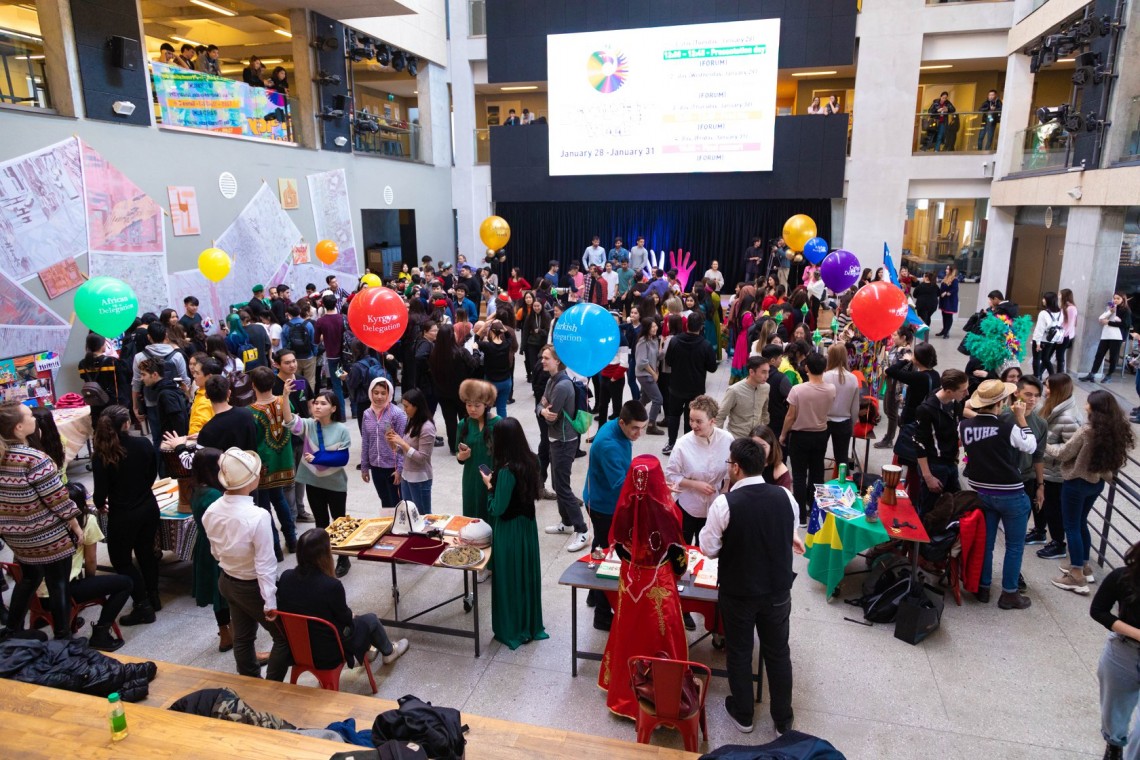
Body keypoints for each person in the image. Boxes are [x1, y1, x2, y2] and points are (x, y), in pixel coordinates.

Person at [700, 438, 802, 735]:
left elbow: (708, 548)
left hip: (739, 590)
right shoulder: (785, 496)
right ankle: (783, 720)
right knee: (778, 653)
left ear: (736, 468)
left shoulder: (725, 503)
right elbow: (790, 530)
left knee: (740, 651)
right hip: (777, 589)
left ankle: (744, 714)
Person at [598, 455, 688, 719]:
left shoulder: (624, 508)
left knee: (627, 632)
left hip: (631, 583)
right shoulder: (667, 513)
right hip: (658, 584)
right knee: (661, 637)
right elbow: (679, 559)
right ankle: (664, 696)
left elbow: (617, 546)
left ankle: (623, 692)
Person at [201, 447, 291, 680]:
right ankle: (272, 686)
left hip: (227, 580)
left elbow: (215, 551)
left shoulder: (211, 510)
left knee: (242, 637)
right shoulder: (258, 516)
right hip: (252, 586)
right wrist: (270, 601)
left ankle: (250, 681)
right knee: (285, 639)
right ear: (252, 479)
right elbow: (265, 564)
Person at [0, 402, 82, 640]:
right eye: (29, 415)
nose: (34, 418)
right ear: (18, 427)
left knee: (29, 577)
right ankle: (63, 637)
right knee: (59, 583)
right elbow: (58, 499)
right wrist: (76, 525)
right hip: (47, 534)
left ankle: (12, 630)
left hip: (16, 536)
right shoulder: (34, 459)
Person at [277, 529, 408, 668]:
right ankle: (389, 652)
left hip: (297, 650)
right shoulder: (331, 585)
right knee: (371, 619)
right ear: (324, 555)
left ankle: (369, 649)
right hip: (328, 654)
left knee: (352, 620)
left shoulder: (286, 577)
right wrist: (351, 615)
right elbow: (345, 619)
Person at [960, 379, 1037, 609]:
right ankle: (1009, 593)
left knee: (986, 543)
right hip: (1011, 493)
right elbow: (1030, 446)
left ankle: (983, 587)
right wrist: (1021, 418)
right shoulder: (1007, 427)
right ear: (1000, 403)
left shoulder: (964, 426)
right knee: (1014, 546)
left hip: (981, 492)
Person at [1048, 390, 1134, 595]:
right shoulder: (1116, 430)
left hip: (1076, 482)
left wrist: (1044, 444)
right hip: (1096, 483)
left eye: (1088, 403)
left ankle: (1076, 574)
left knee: (1071, 526)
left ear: (1095, 408)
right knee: (1081, 523)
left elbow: (1063, 454)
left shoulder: (1087, 431)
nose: (1085, 405)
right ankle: (1084, 565)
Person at [477, 418, 549, 649]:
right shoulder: (533, 460)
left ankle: (512, 628)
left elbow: (497, 508)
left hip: (509, 531)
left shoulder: (506, 472)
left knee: (509, 580)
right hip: (528, 528)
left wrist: (490, 486)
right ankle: (529, 624)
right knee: (526, 576)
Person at [665, 395, 733, 631]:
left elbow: (731, 472)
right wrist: (694, 484)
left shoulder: (727, 440)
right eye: (691, 420)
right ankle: (683, 607)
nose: (693, 425)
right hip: (688, 505)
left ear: (713, 421)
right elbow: (671, 475)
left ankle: (711, 604)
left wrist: (725, 492)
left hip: (715, 507)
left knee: (710, 554)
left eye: (698, 421)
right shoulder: (683, 444)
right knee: (683, 555)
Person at [92, 405, 161, 625]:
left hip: (123, 513)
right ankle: (153, 596)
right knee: (146, 552)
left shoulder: (102, 453)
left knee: (121, 560)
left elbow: (100, 492)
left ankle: (142, 604)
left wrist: (99, 504)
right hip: (148, 506)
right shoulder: (143, 444)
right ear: (127, 423)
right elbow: (152, 474)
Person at [582, 401, 648, 631]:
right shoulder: (609, 445)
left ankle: (593, 594)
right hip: (603, 506)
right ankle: (602, 615)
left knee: (600, 548)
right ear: (622, 422)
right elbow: (621, 485)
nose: (639, 434)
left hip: (599, 497)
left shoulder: (616, 427)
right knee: (609, 558)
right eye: (635, 428)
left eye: (642, 428)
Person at [39, 493, 132, 651]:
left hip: (37, 596)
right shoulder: (86, 520)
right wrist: (91, 584)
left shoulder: (45, 521)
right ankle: (101, 633)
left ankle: (51, 621)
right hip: (62, 594)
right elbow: (90, 561)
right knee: (126, 583)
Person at [288, 391, 352, 577]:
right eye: (316, 402)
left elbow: (342, 458)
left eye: (323, 403)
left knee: (339, 522)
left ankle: (344, 558)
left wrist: (318, 458)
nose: (317, 406)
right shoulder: (309, 425)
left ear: (333, 408)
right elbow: (289, 420)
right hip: (313, 482)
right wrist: (285, 396)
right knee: (321, 523)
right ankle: (324, 560)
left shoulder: (341, 429)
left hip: (336, 484)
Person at [1090, 540, 1140, 760]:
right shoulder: (1123, 577)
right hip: (1124, 651)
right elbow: (1098, 610)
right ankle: (1114, 746)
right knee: (1114, 713)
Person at [539, 345, 590, 552]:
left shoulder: (561, 386)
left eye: (546, 358)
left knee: (562, 487)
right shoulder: (551, 380)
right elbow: (541, 406)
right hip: (556, 439)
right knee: (557, 483)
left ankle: (582, 529)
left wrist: (544, 411)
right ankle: (566, 522)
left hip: (563, 441)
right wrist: (543, 410)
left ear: (557, 361)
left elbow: (551, 419)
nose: (542, 361)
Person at [185, 447, 235, 653]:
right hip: (219, 546)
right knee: (227, 593)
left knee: (218, 593)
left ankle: (225, 633)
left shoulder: (197, 489)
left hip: (206, 545)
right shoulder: (214, 495)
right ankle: (234, 634)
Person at [248, 367, 298, 557]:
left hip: (264, 465)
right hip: (283, 461)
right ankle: (292, 541)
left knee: (264, 507)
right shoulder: (283, 401)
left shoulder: (251, 412)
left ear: (253, 385)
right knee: (280, 499)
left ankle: (275, 548)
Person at [780, 352, 836, 526]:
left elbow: (790, 416)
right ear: (825, 369)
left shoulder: (798, 390)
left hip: (800, 435)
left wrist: (783, 434)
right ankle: (814, 508)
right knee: (817, 472)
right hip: (820, 434)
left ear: (806, 368)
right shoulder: (831, 389)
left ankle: (801, 516)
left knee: (798, 475)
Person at [1032, 373, 1082, 558]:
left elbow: (1071, 449)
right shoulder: (1050, 406)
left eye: (1048, 387)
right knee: (1040, 502)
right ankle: (1039, 531)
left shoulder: (1068, 418)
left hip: (1055, 473)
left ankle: (1058, 543)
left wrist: (1042, 446)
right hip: (1043, 468)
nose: (1045, 391)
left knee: (1053, 509)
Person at [912, 369, 969, 515]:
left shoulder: (956, 403)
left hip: (951, 463)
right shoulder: (926, 410)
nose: (967, 393)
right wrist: (927, 476)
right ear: (949, 391)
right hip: (934, 466)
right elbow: (919, 443)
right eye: (963, 390)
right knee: (928, 510)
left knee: (956, 506)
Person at [663, 311, 718, 455]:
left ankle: (671, 443)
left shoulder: (675, 341)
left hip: (676, 386)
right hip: (696, 388)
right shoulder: (705, 345)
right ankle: (688, 445)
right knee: (691, 417)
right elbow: (712, 368)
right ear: (701, 327)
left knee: (673, 415)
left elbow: (668, 361)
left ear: (686, 324)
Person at [132, 320, 188, 455]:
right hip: (175, 401)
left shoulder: (139, 357)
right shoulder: (177, 355)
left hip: (151, 402)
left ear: (149, 337)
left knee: (157, 438)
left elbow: (136, 383)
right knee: (178, 435)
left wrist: (135, 406)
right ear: (166, 336)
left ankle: (161, 464)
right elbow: (185, 380)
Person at [429, 323, 479, 453]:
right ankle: (465, 443)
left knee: (449, 420)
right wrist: (475, 351)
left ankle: (453, 446)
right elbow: (474, 364)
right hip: (461, 392)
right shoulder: (461, 352)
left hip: (443, 393)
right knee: (464, 418)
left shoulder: (434, 354)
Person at [456, 380, 499, 528]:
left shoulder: (498, 424)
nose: (472, 409)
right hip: (470, 479)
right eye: (468, 405)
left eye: (477, 405)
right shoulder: (463, 424)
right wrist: (460, 456)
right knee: (471, 518)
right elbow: (458, 452)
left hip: (492, 478)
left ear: (486, 404)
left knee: (491, 515)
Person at [360, 377, 406, 510]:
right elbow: (366, 441)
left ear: (389, 394)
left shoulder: (397, 414)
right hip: (376, 467)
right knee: (385, 503)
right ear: (371, 393)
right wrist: (364, 467)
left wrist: (400, 469)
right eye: (376, 393)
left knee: (397, 504)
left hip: (392, 467)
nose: (379, 397)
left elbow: (403, 444)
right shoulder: (367, 414)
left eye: (383, 393)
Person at [386, 388, 435, 512]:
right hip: (406, 477)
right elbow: (402, 451)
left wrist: (402, 442)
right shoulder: (412, 422)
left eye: (407, 406)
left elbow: (422, 458)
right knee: (408, 514)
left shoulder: (427, 428)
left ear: (416, 406)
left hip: (420, 479)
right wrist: (392, 442)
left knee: (422, 515)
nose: (404, 409)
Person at [875, 324, 916, 449]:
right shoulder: (895, 347)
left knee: (892, 413)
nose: (892, 337)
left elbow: (901, 370)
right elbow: (886, 362)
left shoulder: (906, 352)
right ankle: (903, 424)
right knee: (887, 410)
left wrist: (889, 369)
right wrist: (886, 368)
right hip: (889, 382)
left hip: (897, 386)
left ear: (903, 338)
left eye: (895, 335)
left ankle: (889, 439)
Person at [823, 342, 861, 470]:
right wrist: (853, 424)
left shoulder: (825, 377)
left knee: (818, 456)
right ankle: (843, 480)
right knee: (842, 459)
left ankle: (816, 481)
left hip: (824, 421)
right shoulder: (853, 378)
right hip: (844, 421)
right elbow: (855, 407)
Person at [78, 333, 131, 424]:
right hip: (112, 403)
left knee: (99, 426)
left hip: (95, 402)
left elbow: (84, 378)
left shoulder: (82, 364)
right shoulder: (112, 362)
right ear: (102, 345)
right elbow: (122, 381)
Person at [195, 375, 257, 452]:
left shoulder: (208, 431)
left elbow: (199, 458)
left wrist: (181, 446)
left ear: (206, 395)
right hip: (250, 459)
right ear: (229, 393)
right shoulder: (247, 414)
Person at [1082, 292, 1132, 383]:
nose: (1115, 300)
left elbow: (1126, 324)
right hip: (1106, 335)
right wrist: (1110, 311)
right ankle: (1092, 374)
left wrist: (1109, 322)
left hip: (1117, 336)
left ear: (1123, 299)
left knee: (1113, 357)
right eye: (1114, 298)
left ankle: (1109, 375)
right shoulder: (1111, 308)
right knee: (1099, 355)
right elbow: (1101, 318)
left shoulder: (1126, 310)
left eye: (1118, 298)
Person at [716, 354, 771, 439]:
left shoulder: (766, 387)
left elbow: (764, 411)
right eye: (763, 372)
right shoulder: (734, 390)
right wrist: (718, 439)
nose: (767, 376)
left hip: (757, 438)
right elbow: (720, 416)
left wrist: (764, 429)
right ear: (751, 372)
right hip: (737, 438)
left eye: (768, 371)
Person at [314, 294, 348, 413]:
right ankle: (354, 411)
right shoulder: (343, 318)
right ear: (336, 303)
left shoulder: (320, 321)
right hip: (346, 355)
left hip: (333, 357)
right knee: (349, 381)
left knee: (337, 384)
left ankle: (342, 413)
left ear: (323, 305)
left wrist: (325, 335)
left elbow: (316, 340)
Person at [633, 318, 666, 435]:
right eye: (652, 327)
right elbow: (641, 362)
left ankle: (631, 415)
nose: (655, 328)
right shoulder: (643, 342)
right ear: (647, 328)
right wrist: (653, 373)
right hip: (644, 375)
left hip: (650, 373)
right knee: (658, 399)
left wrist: (663, 345)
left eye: (656, 326)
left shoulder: (654, 339)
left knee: (645, 398)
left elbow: (657, 357)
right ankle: (651, 425)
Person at [478, 320, 514, 419]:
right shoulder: (506, 344)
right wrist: (502, 326)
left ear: (491, 332)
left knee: (486, 408)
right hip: (506, 381)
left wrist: (483, 327)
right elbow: (509, 336)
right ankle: (503, 427)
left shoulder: (487, 346)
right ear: (501, 332)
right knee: (502, 408)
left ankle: (486, 425)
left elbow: (475, 340)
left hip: (491, 382)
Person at [1032, 292, 1066, 378]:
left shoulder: (1043, 313)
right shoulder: (1060, 313)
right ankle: (1053, 376)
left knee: (1036, 359)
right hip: (1051, 340)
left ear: (1048, 300)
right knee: (1046, 359)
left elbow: (1039, 329)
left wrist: (1038, 343)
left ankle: (1036, 377)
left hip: (1041, 339)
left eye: (1044, 298)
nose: (1043, 300)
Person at [751, 424, 791, 488]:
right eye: (753, 445)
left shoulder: (780, 470)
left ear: (771, 447)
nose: (758, 449)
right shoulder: (742, 466)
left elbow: (784, 493)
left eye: (763, 446)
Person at [1057, 288, 1078, 374]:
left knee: (1060, 355)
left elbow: (1070, 324)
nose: (1058, 296)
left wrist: (1063, 335)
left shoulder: (1071, 308)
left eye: (1060, 294)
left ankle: (1060, 373)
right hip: (1061, 334)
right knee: (1057, 355)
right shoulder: (1064, 307)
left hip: (1065, 335)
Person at [936, 265, 959, 338]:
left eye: (948, 269)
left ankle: (946, 332)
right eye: (946, 269)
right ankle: (944, 330)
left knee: (949, 316)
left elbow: (955, 289)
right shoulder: (945, 278)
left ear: (951, 271)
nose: (946, 270)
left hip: (950, 301)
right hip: (944, 300)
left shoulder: (954, 279)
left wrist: (946, 292)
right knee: (944, 316)